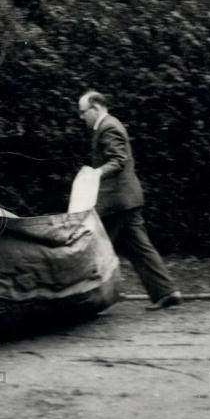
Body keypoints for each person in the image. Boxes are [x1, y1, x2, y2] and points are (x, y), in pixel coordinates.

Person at [77, 90, 182, 310]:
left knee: (97, 248)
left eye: (83, 112)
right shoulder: (109, 125)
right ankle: (166, 292)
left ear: (95, 108)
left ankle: (84, 300)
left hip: (117, 203)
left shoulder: (108, 127)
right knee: (140, 248)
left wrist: (97, 173)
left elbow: (118, 160)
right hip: (126, 201)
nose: (81, 117)